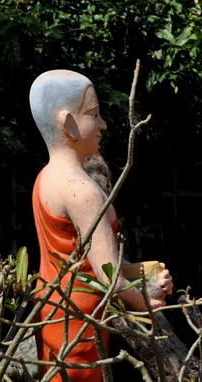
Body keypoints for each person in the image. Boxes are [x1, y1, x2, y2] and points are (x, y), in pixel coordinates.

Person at [29, 70, 173, 381]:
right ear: (68, 122)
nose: (103, 124)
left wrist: (139, 273)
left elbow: (80, 260)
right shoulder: (83, 191)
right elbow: (111, 280)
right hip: (81, 320)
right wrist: (152, 302)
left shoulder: (45, 178)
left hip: (54, 308)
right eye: (94, 114)